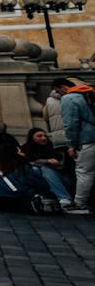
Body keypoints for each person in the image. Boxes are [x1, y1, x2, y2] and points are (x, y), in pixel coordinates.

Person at [53, 79, 94, 214]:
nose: (59, 94)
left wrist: (71, 144)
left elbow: (71, 124)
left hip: (87, 139)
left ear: (63, 87)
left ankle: (80, 204)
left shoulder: (70, 98)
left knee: (84, 172)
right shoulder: (90, 92)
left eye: (58, 91)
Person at [21, 128, 76, 204]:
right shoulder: (27, 149)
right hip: (41, 181)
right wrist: (46, 161)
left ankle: (64, 198)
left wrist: (42, 163)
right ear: (32, 138)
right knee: (34, 169)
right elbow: (29, 162)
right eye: (39, 136)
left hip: (61, 179)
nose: (44, 138)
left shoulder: (54, 150)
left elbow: (59, 166)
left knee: (45, 169)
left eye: (45, 136)